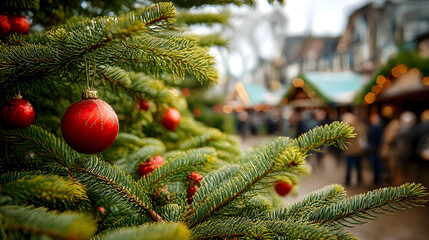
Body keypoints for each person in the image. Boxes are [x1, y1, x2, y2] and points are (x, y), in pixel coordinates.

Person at [342, 112, 367, 186]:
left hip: (357, 151)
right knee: (348, 167)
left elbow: (360, 134)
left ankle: (359, 179)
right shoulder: (347, 127)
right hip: (349, 151)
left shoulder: (360, 126)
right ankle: (347, 180)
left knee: (358, 167)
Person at [367, 112, 384, 186]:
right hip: (372, 148)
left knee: (378, 164)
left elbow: (381, 139)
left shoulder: (380, 127)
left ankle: (378, 179)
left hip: (377, 148)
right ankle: (375, 178)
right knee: (374, 164)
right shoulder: (371, 127)